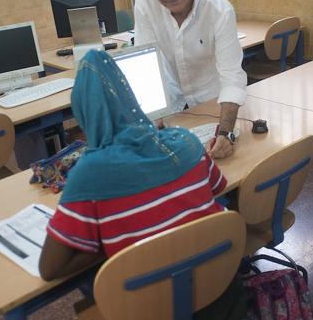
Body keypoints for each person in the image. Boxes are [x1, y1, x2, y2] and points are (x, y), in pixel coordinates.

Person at [38, 50, 227, 281]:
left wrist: (111, 243)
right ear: (130, 96)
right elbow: (217, 189)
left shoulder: (89, 174)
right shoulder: (187, 141)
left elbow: (50, 269)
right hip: (218, 285)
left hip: (147, 306)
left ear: (82, 111)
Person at [134, 0, 247, 159]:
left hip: (214, 103)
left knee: (224, 168)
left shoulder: (219, 9)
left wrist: (225, 133)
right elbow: (146, 61)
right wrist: (152, 115)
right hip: (173, 104)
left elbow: (232, 78)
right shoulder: (144, 0)